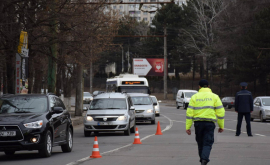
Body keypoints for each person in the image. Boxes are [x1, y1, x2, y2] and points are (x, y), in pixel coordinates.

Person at [186, 79, 225, 165]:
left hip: (198, 123)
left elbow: (189, 113)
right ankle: (204, 159)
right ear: (208, 86)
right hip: (209, 123)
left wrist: (188, 127)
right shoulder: (215, 96)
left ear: (199, 87)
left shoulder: (194, 97)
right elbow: (221, 112)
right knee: (207, 143)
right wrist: (221, 126)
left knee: (200, 143)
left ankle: (202, 160)